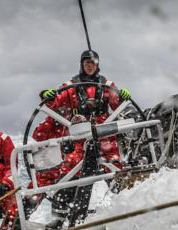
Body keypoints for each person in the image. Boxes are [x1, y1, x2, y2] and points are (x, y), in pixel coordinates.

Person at [32, 49, 131, 229]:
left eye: (92, 62)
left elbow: (118, 104)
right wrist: (48, 96)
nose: (89, 65)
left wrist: (123, 95)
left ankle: (129, 204)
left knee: (114, 169)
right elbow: (56, 104)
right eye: (86, 63)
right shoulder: (71, 86)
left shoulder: (107, 85)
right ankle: (59, 218)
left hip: (103, 135)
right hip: (80, 136)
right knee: (71, 173)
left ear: (97, 64)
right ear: (82, 64)